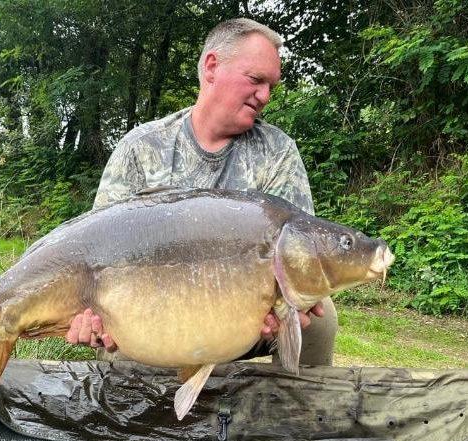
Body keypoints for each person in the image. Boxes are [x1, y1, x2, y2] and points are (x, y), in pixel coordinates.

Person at [65, 18, 338, 365]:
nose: (265, 96)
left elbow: (302, 254)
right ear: (212, 67)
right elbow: (95, 250)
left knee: (319, 318)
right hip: (152, 318)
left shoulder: (277, 151)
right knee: (115, 338)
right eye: (256, 80)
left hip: (245, 318)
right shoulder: (141, 147)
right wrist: (90, 316)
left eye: (271, 85)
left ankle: (293, 412)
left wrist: (286, 306)